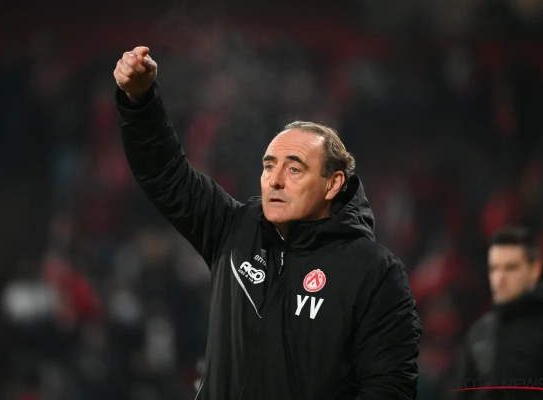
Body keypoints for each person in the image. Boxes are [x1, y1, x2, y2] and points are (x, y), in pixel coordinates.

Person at [113, 46, 422, 400]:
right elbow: (166, 173)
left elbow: (389, 388)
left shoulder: (375, 272)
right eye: (269, 166)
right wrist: (140, 101)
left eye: (294, 169)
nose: (274, 180)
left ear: (333, 183)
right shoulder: (233, 228)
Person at [452, 226, 543, 400]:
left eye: (511, 268)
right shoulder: (479, 333)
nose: (500, 278)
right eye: (494, 268)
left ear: (535, 270)